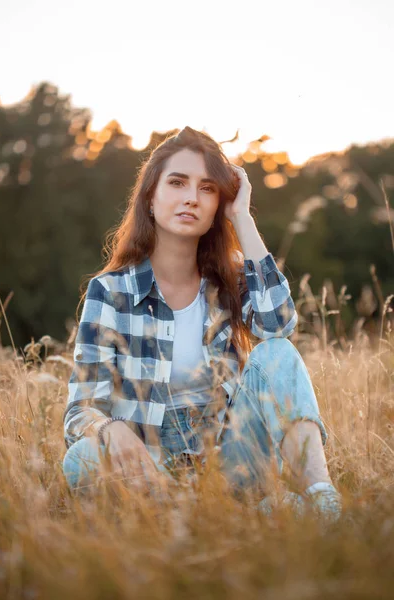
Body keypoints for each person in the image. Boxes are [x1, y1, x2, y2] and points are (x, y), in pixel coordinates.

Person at [62, 126, 341, 520]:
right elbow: (80, 409)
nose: (191, 198)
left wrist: (242, 217)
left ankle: (321, 500)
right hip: (150, 470)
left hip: (233, 462)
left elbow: (278, 326)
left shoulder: (230, 279)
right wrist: (109, 428)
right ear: (151, 198)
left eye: (208, 188)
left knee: (278, 353)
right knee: (81, 460)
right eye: (177, 182)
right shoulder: (110, 291)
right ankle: (237, 519)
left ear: (216, 208)